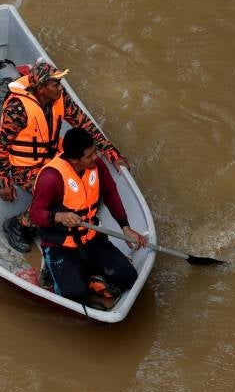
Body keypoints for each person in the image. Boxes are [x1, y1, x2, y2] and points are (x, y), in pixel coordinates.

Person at [0, 60, 129, 252]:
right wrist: (3, 180)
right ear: (41, 88)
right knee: (61, 195)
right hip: (26, 169)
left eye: (60, 83)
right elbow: (1, 144)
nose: (61, 87)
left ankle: (75, 225)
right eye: (55, 84)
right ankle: (18, 224)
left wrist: (112, 152)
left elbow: (84, 124)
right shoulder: (17, 109)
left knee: (91, 185)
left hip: (54, 159)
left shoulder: (60, 97)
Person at [29, 127, 147, 305]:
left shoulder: (96, 165)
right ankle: (54, 271)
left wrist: (125, 226)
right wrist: (59, 217)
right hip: (61, 245)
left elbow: (110, 193)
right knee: (75, 296)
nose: (95, 157)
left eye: (95, 151)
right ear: (74, 159)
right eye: (89, 156)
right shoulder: (51, 177)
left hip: (91, 238)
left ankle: (87, 275)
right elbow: (35, 215)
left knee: (128, 277)